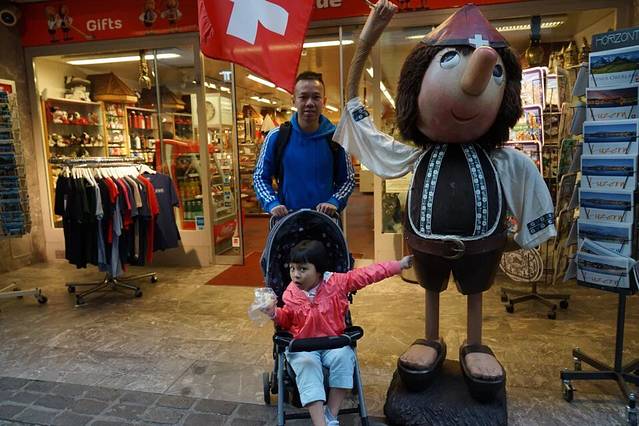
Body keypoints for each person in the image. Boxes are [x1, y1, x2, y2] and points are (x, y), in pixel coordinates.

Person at [262, 240, 413, 426]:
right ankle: (320, 423)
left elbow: (368, 274)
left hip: (333, 343)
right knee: (307, 365)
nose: (295, 274)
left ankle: (331, 416)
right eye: (292, 268)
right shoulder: (290, 293)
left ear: (319, 271)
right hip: (303, 346)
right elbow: (287, 321)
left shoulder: (337, 283)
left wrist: (398, 265)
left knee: (344, 358)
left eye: (302, 269)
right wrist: (274, 313)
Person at [253, 72, 356, 218]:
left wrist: (334, 201)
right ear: (294, 100)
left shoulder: (336, 138)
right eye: (303, 97)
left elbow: (347, 179)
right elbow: (260, 177)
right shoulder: (276, 137)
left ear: (324, 101)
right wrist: (272, 203)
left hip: (324, 223)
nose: (309, 103)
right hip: (287, 222)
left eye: (316, 97)